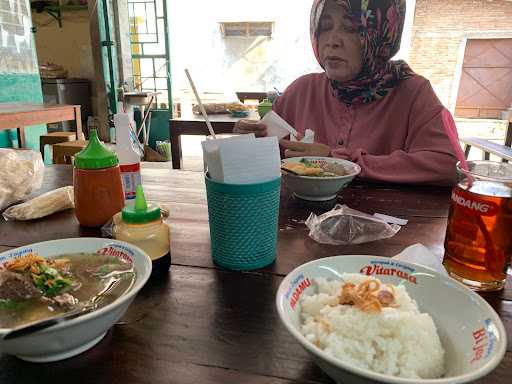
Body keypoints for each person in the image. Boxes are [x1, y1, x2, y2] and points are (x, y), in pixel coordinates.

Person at [234, 0, 465, 185]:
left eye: (351, 28)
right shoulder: (302, 90)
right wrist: (250, 142)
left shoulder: (413, 93)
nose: (332, 41)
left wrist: (338, 163)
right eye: (324, 27)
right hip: (300, 230)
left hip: (384, 233)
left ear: (382, 32)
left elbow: (447, 165)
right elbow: (271, 157)